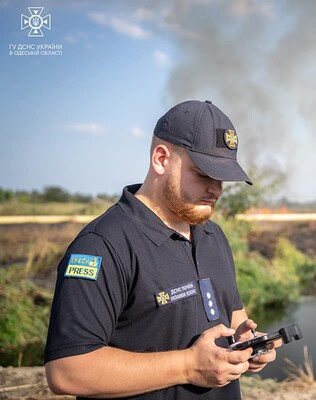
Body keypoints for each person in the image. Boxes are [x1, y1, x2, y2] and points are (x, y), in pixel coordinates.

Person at [44, 100, 278, 399]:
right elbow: (67, 371)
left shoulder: (213, 235)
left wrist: (247, 344)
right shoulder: (102, 245)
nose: (216, 189)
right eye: (204, 174)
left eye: (222, 178)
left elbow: (232, 317)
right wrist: (188, 366)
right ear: (161, 159)